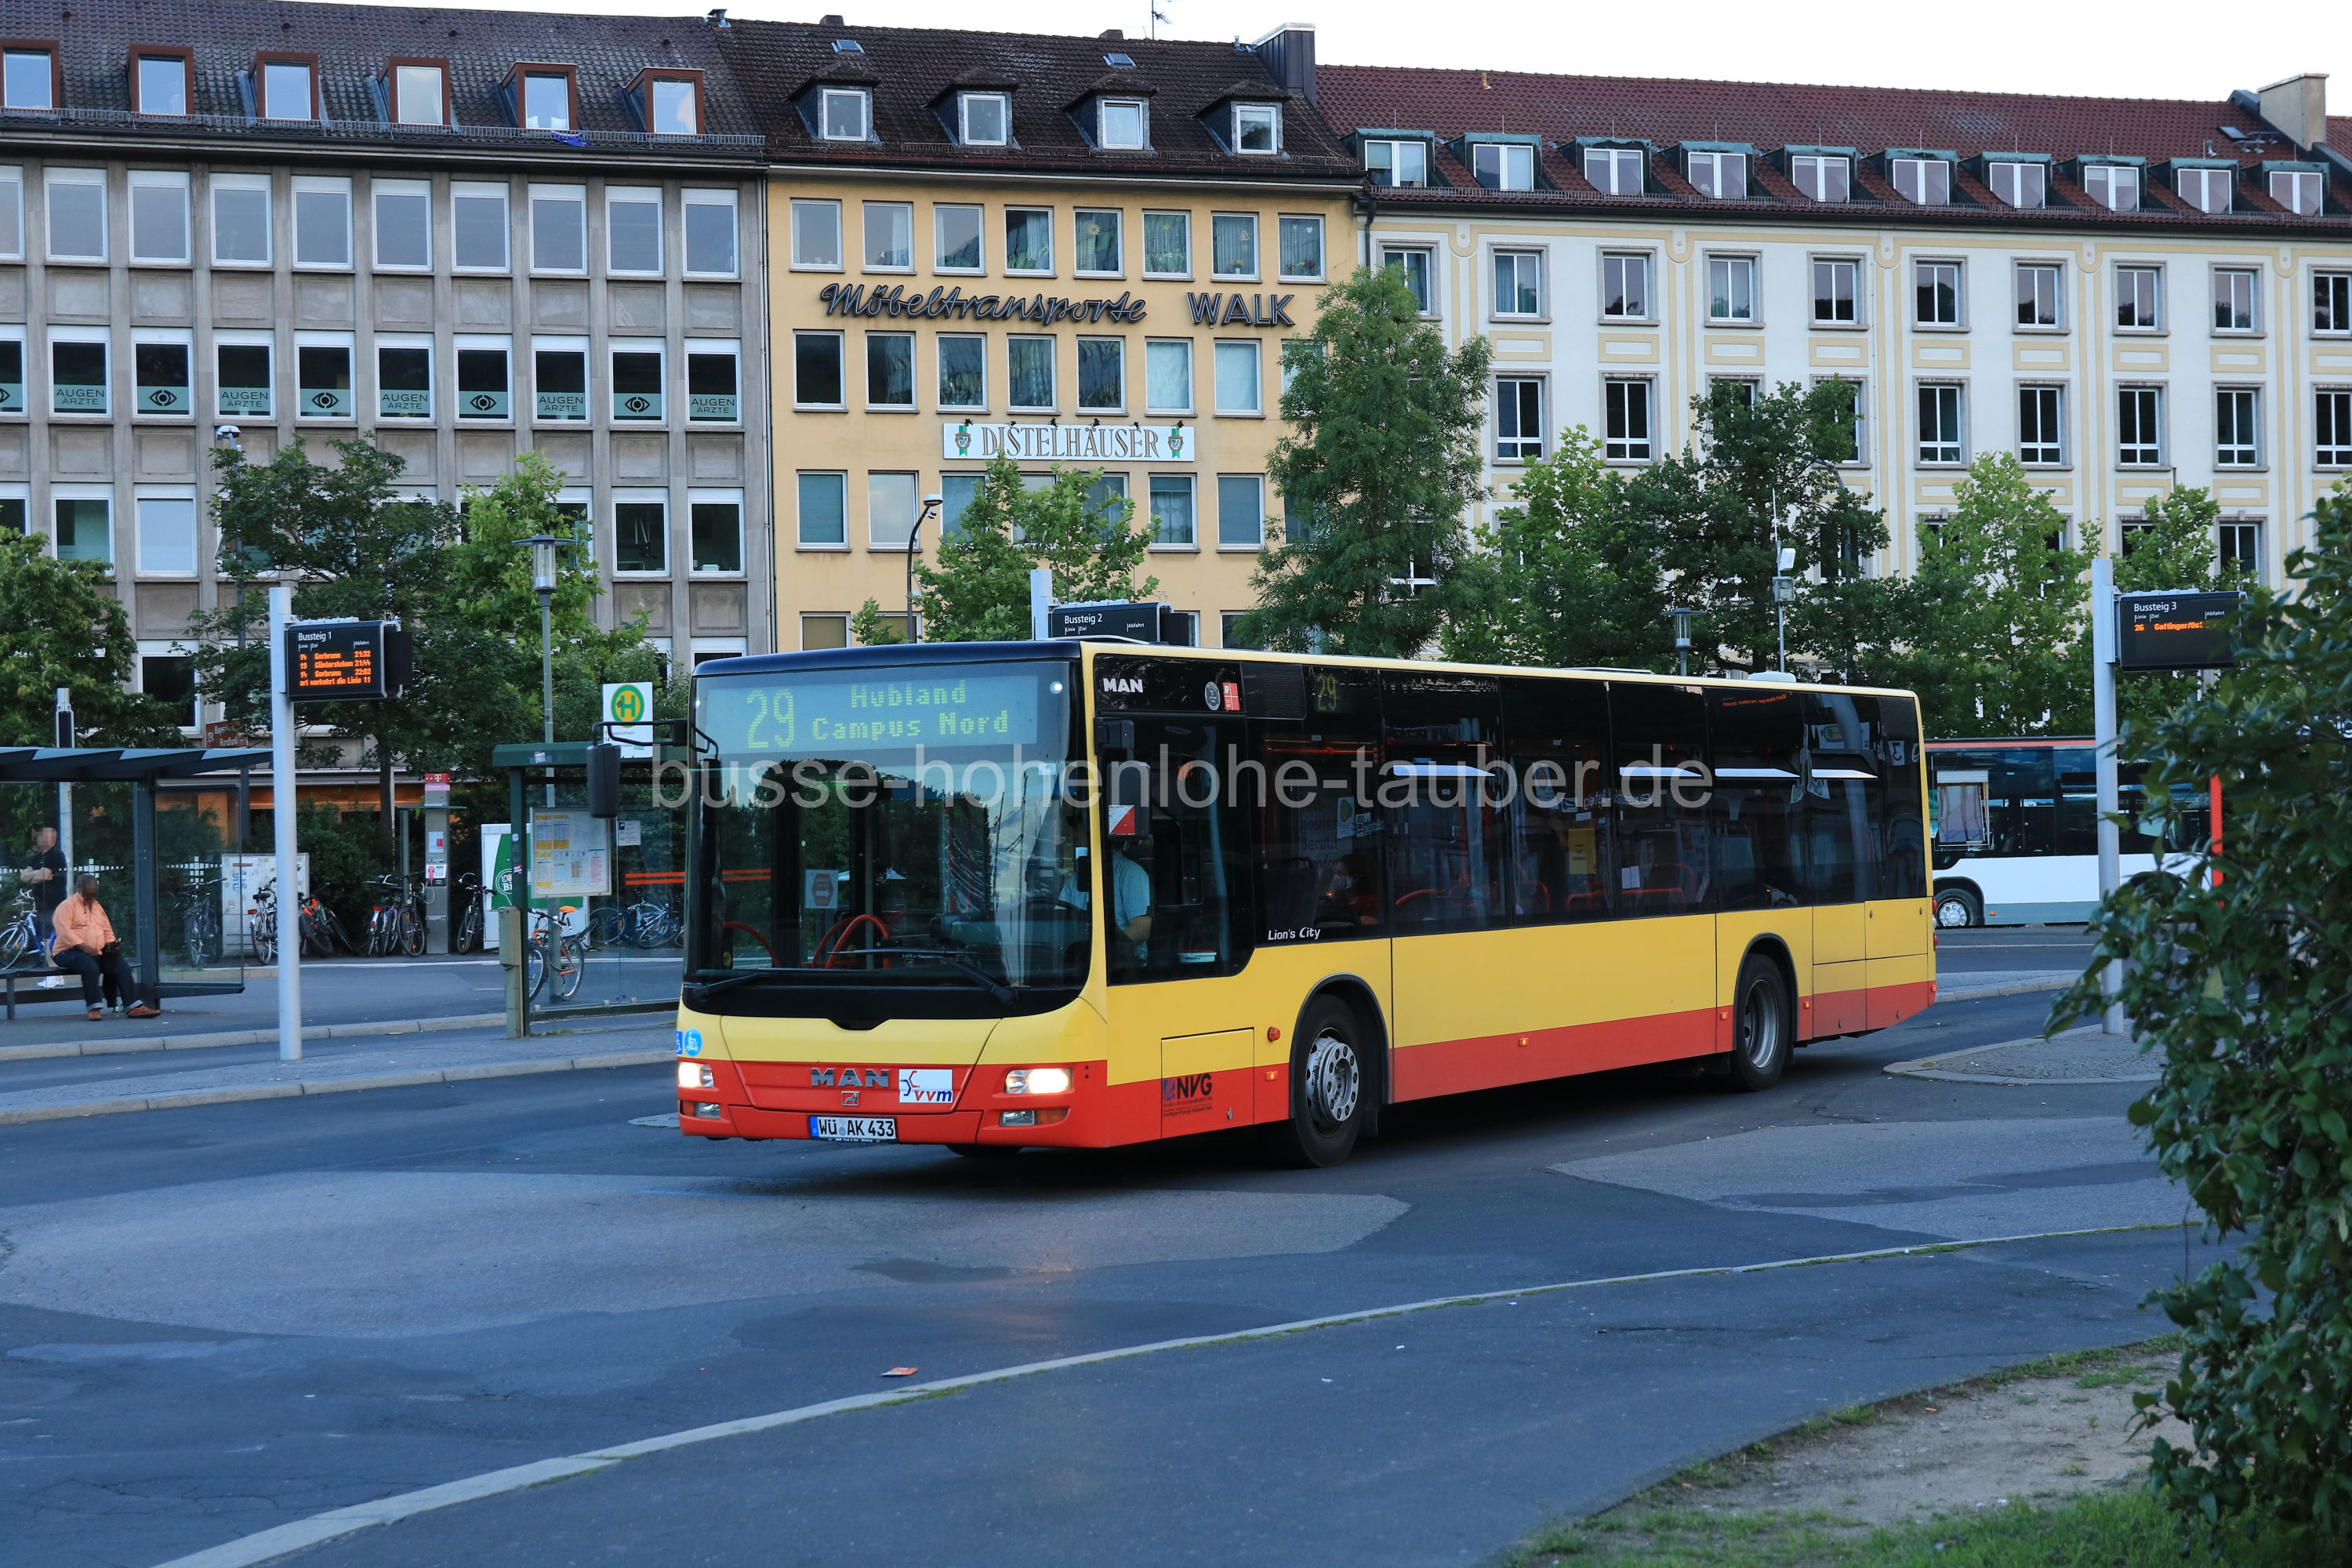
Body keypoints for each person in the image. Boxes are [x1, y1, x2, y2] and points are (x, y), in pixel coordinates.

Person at [50, 873, 161, 1021]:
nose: (94, 889)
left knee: (121, 965)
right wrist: (84, 947)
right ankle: (94, 1008)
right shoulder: (67, 906)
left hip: (95, 951)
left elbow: (106, 929)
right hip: (67, 951)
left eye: (95, 886)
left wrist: (110, 944)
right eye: (90, 886)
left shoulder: (97, 906)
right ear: (81, 887)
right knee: (89, 966)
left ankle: (134, 1006)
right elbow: (64, 932)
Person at [17, 826, 68, 986]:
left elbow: (43, 876)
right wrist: (36, 874)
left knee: (49, 939)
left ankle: (54, 974)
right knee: (47, 938)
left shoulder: (55, 855)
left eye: (41, 836)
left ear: (50, 838)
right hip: (42, 904)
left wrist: (37, 874)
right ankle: (57, 975)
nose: (38, 838)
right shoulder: (39, 857)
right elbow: (24, 876)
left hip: (53, 904)